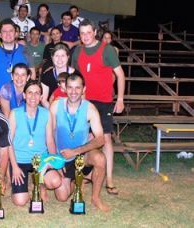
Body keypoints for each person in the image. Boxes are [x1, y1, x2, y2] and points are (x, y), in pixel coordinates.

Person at [71, 19, 125, 195]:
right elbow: (73, 76)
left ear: (94, 32)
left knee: (106, 138)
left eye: (88, 32)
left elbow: (120, 75)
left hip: (104, 101)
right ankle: (85, 174)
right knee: (86, 138)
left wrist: (120, 99)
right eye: (82, 33)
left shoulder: (107, 50)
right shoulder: (77, 51)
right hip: (85, 101)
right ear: (79, 35)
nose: (85, 36)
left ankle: (109, 179)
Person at [50, 73, 110, 212]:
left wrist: (76, 151)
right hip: (62, 156)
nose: (73, 92)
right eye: (70, 87)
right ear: (65, 88)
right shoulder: (56, 106)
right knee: (62, 196)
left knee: (100, 158)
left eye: (77, 88)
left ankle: (95, 198)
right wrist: (55, 160)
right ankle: (79, 181)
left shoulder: (90, 108)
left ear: (83, 89)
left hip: (81, 155)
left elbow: (101, 139)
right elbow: (50, 134)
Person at [8, 80, 63, 206]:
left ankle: (40, 185)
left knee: (55, 181)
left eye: (37, 93)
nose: (33, 97)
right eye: (30, 93)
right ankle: (22, 186)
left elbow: (49, 139)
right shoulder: (14, 114)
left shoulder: (46, 114)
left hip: (40, 159)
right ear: (24, 95)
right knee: (20, 201)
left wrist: (52, 161)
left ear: (41, 97)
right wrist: (15, 167)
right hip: (20, 159)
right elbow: (9, 142)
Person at [0, 18, 35, 90]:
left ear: (15, 33)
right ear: (0, 35)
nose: (8, 34)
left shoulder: (25, 50)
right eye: (4, 31)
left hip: (21, 97)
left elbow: (32, 75)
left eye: (11, 31)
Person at [41, 43, 75, 108]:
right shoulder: (46, 76)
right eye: (56, 56)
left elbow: (81, 98)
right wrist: (55, 113)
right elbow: (44, 100)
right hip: (52, 111)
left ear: (68, 57)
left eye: (63, 56)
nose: (60, 59)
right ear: (52, 57)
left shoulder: (76, 75)